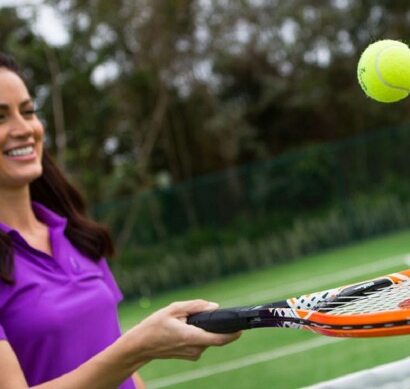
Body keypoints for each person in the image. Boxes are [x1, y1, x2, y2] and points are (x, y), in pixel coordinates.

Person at [0, 52, 241, 389]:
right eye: (0, 117)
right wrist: (139, 346)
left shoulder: (77, 237)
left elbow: (121, 368)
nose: (24, 129)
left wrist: (133, 355)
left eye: (28, 112)